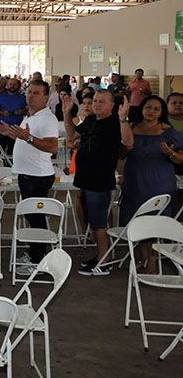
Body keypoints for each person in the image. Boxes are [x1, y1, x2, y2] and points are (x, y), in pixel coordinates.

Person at [63, 91, 132, 276]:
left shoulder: (116, 122)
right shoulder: (91, 120)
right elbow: (71, 136)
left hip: (100, 180)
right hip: (85, 178)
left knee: (99, 223)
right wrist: (67, 113)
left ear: (112, 105)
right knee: (93, 221)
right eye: (94, 101)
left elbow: (128, 143)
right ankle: (101, 256)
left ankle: (104, 261)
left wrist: (123, 118)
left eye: (101, 101)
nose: (96, 104)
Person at [0, 80, 59, 276]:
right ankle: (34, 253)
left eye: (36, 93)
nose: (30, 96)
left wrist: (27, 137)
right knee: (33, 217)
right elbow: (26, 140)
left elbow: (52, 147)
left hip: (37, 175)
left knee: (36, 217)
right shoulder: (31, 116)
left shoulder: (47, 118)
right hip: (28, 174)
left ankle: (38, 260)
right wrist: (10, 133)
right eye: (29, 92)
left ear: (46, 97)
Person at [119, 96, 183, 273]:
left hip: (159, 182)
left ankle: (152, 262)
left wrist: (170, 153)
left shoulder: (169, 131)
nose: (151, 112)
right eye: (148, 107)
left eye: (156, 109)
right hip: (135, 180)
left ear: (161, 112)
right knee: (137, 219)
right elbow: (122, 154)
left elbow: (181, 158)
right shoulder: (131, 127)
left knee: (154, 222)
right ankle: (142, 258)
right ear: (141, 108)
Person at [0, 78, 27, 154]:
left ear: (18, 86)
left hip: (16, 130)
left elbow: (29, 111)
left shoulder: (23, 98)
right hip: (1, 129)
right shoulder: (1, 96)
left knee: (13, 152)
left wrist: (23, 112)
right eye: (10, 84)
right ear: (7, 85)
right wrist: (2, 112)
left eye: (14, 84)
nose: (12, 86)